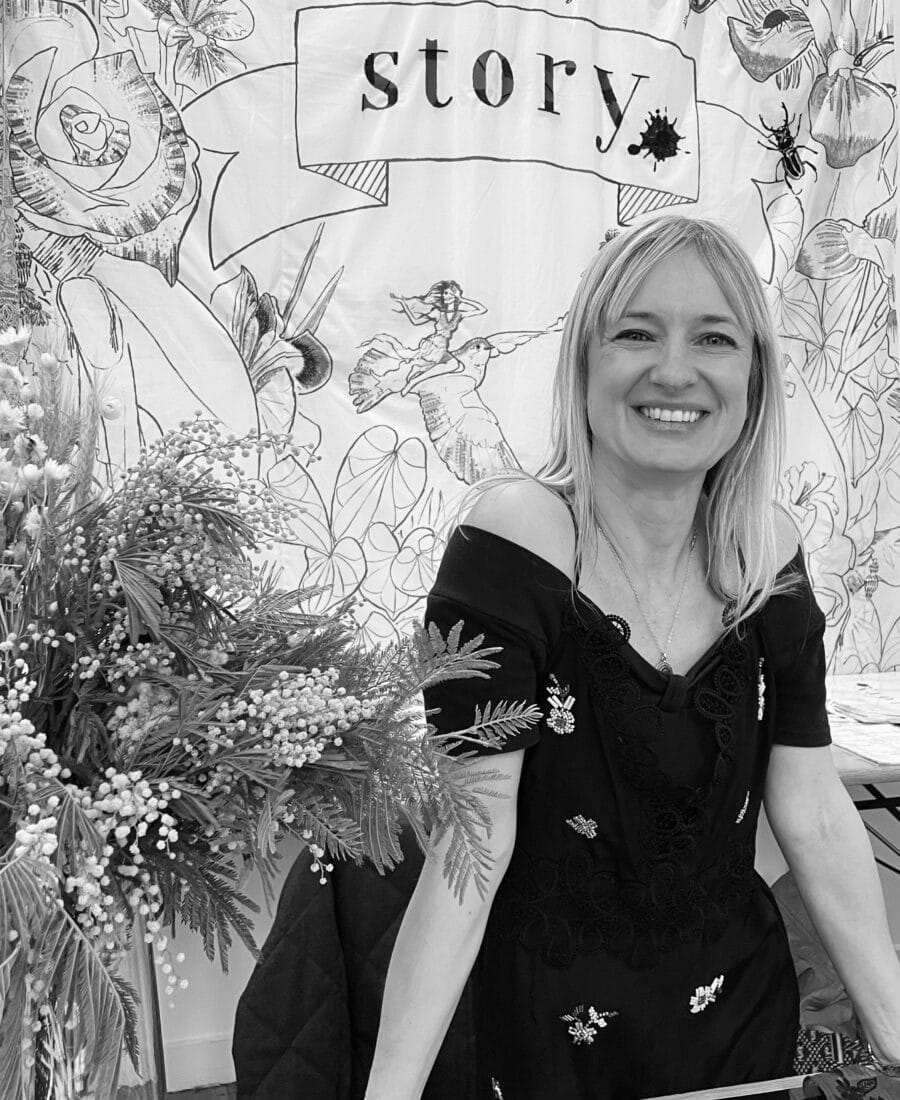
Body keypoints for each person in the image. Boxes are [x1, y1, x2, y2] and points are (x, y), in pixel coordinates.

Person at [364, 216, 900, 1100]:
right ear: (584, 365)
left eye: (715, 338)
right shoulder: (516, 542)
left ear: (754, 379)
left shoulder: (769, 554)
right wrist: (390, 1091)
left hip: (739, 1022)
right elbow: (475, 845)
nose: (675, 370)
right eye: (637, 333)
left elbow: (809, 802)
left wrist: (889, 1027)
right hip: (553, 1036)